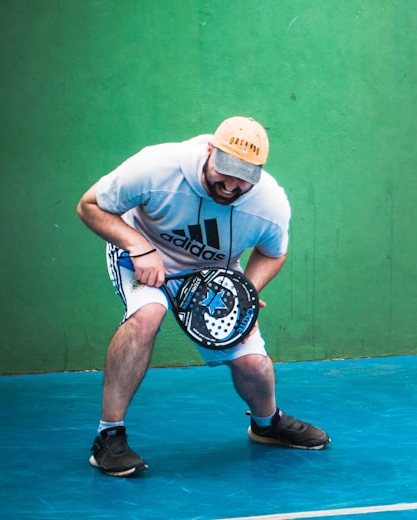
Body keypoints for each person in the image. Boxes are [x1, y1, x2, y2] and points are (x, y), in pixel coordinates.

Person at [77, 116, 329, 476]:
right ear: (210, 150)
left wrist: (245, 291)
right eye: (225, 169)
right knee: (146, 315)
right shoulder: (156, 167)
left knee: (253, 363)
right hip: (143, 259)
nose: (230, 184)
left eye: (244, 176)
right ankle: (109, 436)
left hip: (213, 278)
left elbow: (274, 252)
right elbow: (89, 205)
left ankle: (266, 424)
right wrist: (137, 246)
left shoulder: (269, 203)